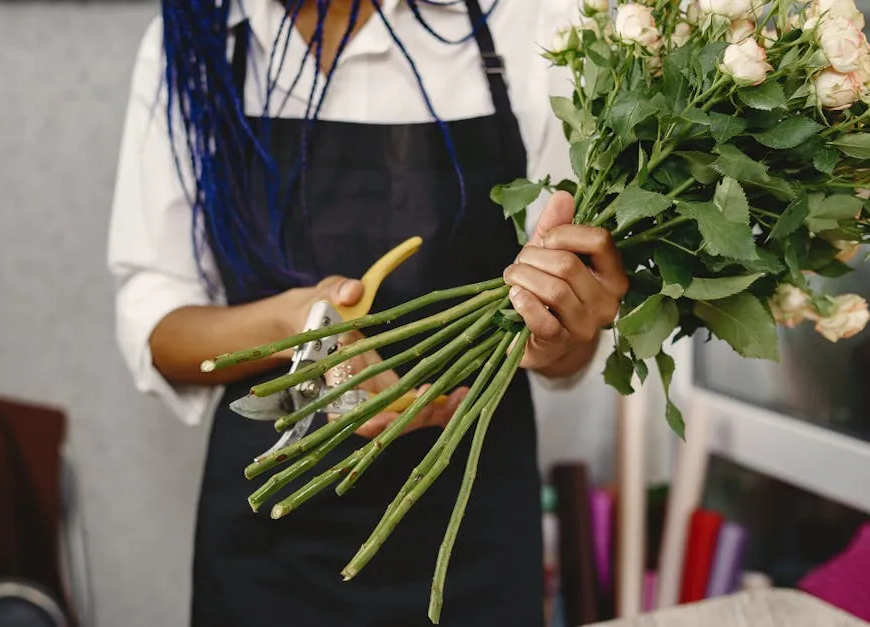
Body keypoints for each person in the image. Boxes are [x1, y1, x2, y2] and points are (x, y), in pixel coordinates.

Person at [108, 1, 628, 625]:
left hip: (472, 534)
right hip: (269, 549)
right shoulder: (199, 42)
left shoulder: (531, 24)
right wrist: (308, 328)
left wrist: (557, 329)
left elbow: (566, 346)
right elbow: (157, 325)